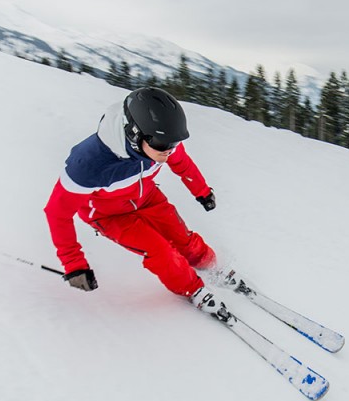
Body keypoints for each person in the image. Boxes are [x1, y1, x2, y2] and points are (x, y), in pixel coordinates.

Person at [44, 87, 232, 321]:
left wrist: (202, 191)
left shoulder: (159, 141)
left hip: (146, 198)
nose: (169, 150)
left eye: (173, 143)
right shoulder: (89, 164)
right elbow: (57, 213)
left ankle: (210, 264)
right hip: (109, 216)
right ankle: (193, 289)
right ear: (134, 135)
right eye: (163, 144)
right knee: (161, 252)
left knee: (183, 239)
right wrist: (74, 264)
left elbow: (182, 162)